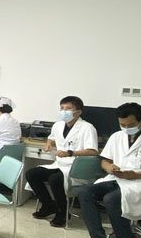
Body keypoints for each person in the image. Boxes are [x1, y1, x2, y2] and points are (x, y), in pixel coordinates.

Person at [78, 102, 141, 238]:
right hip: (117, 178)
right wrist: (108, 167)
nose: (126, 128)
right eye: (122, 125)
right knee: (84, 191)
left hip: (139, 182)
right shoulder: (117, 136)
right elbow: (105, 160)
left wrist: (134, 174)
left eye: (131, 125)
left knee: (111, 199)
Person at [25, 96, 99, 227]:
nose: (64, 111)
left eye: (68, 109)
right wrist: (48, 143)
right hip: (60, 164)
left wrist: (70, 153)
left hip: (76, 167)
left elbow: (93, 151)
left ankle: (63, 213)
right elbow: (51, 137)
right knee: (32, 173)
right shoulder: (58, 125)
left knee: (55, 179)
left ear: (78, 112)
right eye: (62, 108)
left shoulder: (87, 128)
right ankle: (48, 205)